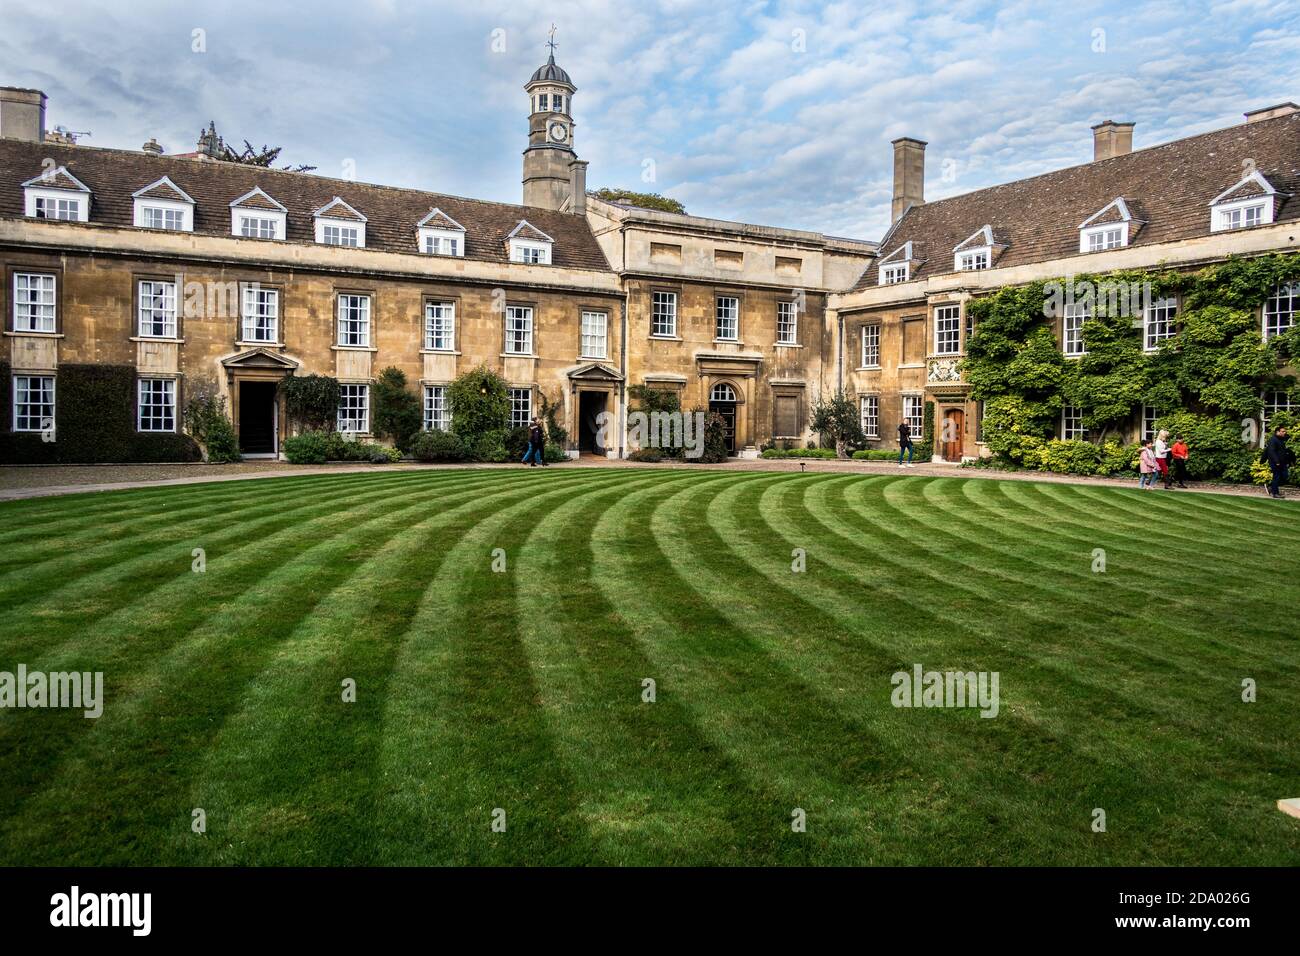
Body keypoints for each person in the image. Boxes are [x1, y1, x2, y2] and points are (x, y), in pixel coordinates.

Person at [1264, 425, 1292, 499]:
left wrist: (1285, 433)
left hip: (1282, 462)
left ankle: (1271, 486)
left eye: (1285, 431)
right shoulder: (1273, 440)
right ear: (1277, 432)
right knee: (1276, 476)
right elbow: (1271, 452)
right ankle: (1275, 493)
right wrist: (1276, 461)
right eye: (1282, 431)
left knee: (1285, 476)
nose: (1284, 433)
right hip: (1275, 462)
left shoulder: (1281, 439)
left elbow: (1288, 437)